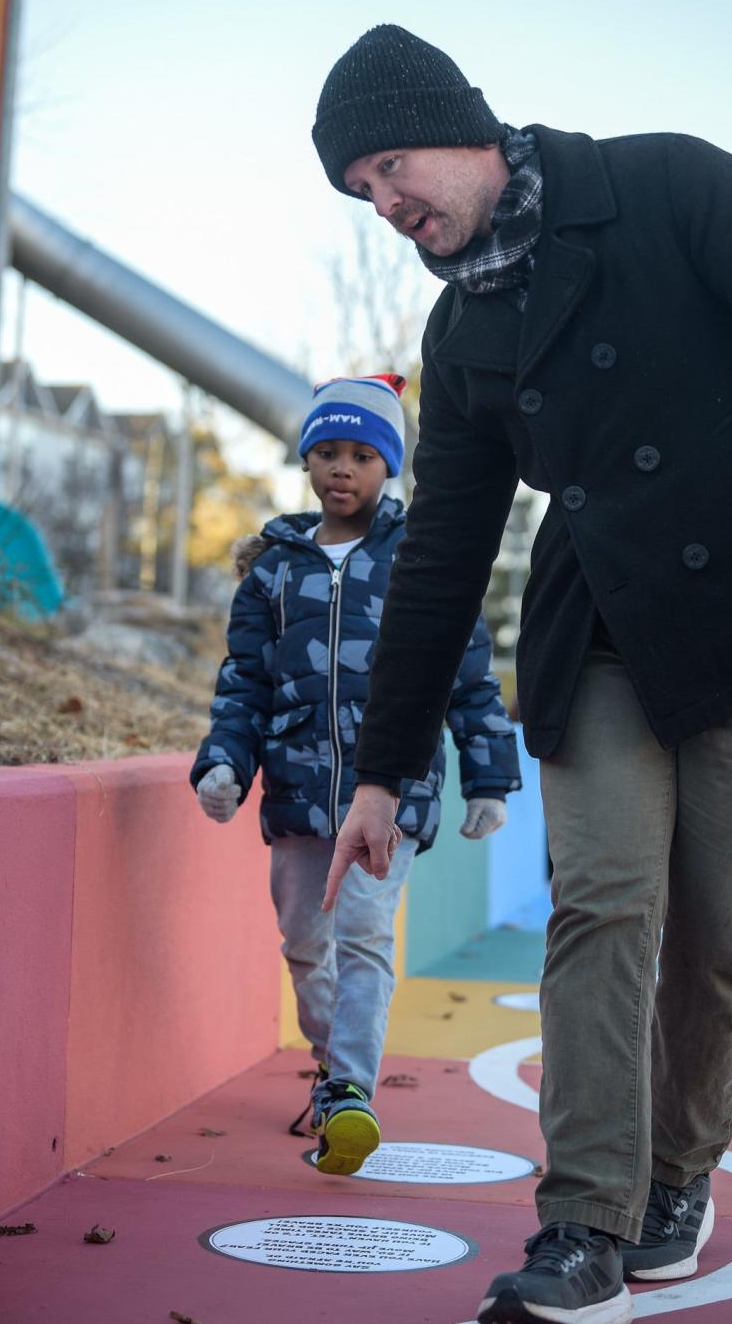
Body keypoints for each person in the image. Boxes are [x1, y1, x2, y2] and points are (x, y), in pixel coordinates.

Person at [310, 25, 732, 1324]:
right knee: (603, 905)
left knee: (723, 933)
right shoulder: (464, 329)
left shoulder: (678, 188)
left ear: (459, 124)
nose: (385, 202)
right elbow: (443, 560)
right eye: (361, 189)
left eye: (390, 164)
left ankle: (677, 1175)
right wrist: (384, 768)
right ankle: (582, 1218)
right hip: (604, 634)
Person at [190, 372, 520, 1178]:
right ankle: (331, 1067)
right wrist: (225, 761)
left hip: (392, 792)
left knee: (363, 935)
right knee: (305, 941)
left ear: (390, 466)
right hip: (299, 794)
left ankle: (348, 1091)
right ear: (307, 461)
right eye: (327, 452)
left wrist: (487, 777)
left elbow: (467, 678)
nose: (343, 468)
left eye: (363, 454)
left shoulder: (423, 559)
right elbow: (244, 680)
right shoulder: (273, 570)